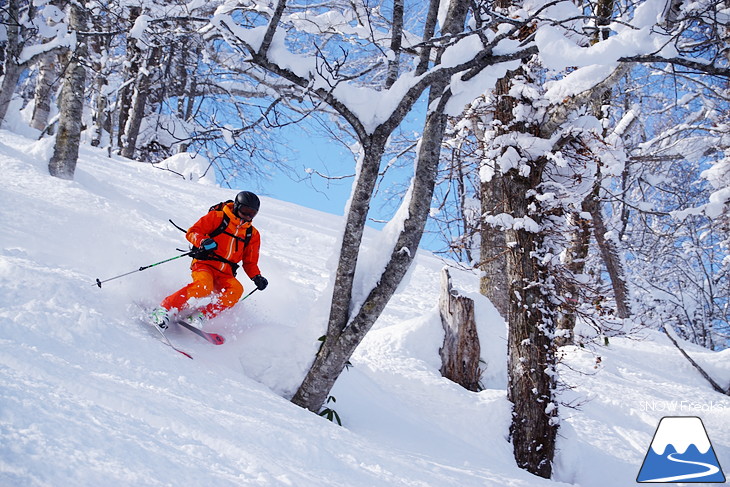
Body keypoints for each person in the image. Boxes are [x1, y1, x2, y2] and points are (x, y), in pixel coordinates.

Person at [149, 191, 268, 329]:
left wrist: (257, 277)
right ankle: (164, 309)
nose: (247, 216)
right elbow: (192, 232)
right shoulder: (217, 217)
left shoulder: (252, 234)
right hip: (205, 264)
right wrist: (203, 241)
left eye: (252, 213)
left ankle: (200, 315)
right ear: (236, 206)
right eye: (245, 210)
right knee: (203, 287)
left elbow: (250, 262)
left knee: (236, 290)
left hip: (225, 273)